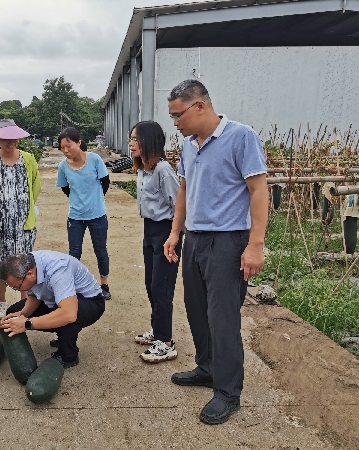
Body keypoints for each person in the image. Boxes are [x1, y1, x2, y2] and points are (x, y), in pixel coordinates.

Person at [163, 80, 268, 425]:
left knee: (223, 319)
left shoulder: (241, 137)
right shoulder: (189, 145)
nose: (175, 123)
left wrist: (255, 245)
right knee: (197, 311)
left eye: (178, 115)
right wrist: (175, 233)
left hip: (228, 241)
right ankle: (207, 368)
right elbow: (184, 189)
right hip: (194, 239)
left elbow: (257, 191)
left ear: (200, 106)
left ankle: (227, 392)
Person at [129, 121, 182, 363]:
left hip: (165, 232)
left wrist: (174, 236)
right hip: (149, 230)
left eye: (135, 140)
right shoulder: (143, 169)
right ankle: (158, 331)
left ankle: (167, 342)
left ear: (148, 142)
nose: (131, 144)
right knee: (151, 283)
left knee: (162, 288)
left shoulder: (163, 170)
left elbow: (179, 206)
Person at [0, 119, 41, 320]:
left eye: (14, 138)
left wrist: (22, 206)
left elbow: (35, 185)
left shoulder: (28, 159)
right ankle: (2, 302)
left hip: (22, 224)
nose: (10, 142)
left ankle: (23, 302)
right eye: (5, 138)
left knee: (23, 263)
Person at [0, 251, 105, 368]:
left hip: (90, 302)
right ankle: (63, 335)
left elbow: (69, 313)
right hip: (58, 300)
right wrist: (22, 314)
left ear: (30, 274)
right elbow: (35, 295)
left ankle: (69, 356)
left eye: (17, 287)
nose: (17, 290)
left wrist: (27, 323)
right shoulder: (29, 264)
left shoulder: (58, 270)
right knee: (13, 312)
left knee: (66, 316)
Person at [55, 127, 111, 300]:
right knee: (74, 252)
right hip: (75, 217)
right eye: (62, 147)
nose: (66, 150)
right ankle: (75, 286)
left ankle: (104, 284)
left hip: (97, 215)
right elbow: (65, 187)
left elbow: (105, 182)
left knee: (100, 250)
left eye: (68, 146)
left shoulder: (94, 159)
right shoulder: (63, 166)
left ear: (79, 142)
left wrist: (95, 200)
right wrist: (77, 200)